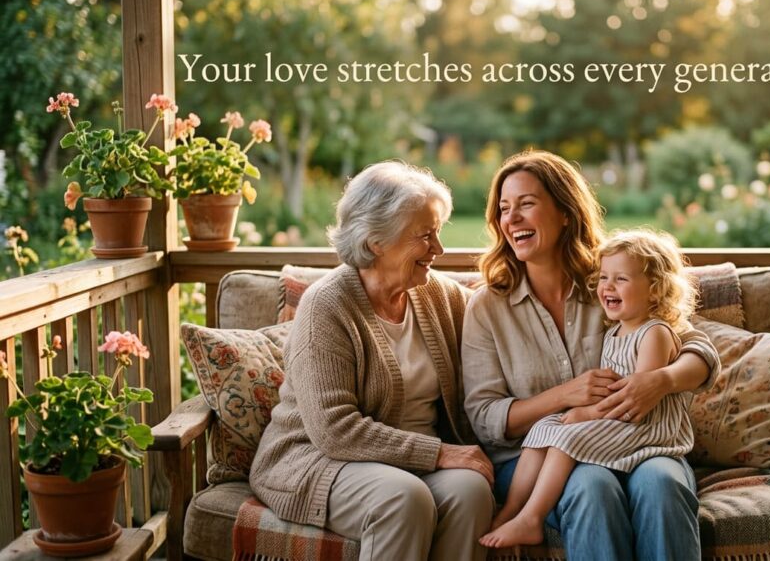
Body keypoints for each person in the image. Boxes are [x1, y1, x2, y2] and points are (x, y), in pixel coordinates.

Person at [463, 150, 721, 561]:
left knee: (662, 483)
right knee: (591, 487)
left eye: (526, 204)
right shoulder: (488, 307)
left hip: (641, 443)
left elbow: (697, 349)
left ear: (565, 212)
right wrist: (565, 396)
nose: (511, 219)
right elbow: (485, 418)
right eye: (504, 208)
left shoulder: (610, 283)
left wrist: (661, 381)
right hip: (538, 459)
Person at [249, 161, 495, 561]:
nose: (439, 249)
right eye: (425, 235)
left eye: (439, 231)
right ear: (376, 240)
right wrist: (440, 453)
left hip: (406, 465)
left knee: (470, 491)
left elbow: (500, 322)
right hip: (319, 459)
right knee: (402, 497)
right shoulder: (326, 306)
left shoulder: (440, 296)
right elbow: (335, 430)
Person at [479, 229, 699, 549]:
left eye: (620, 279)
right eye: (604, 278)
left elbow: (638, 398)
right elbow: (484, 414)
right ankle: (514, 510)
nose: (607, 286)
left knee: (570, 437)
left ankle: (532, 517)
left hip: (642, 427)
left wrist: (585, 413)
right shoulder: (615, 329)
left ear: (655, 290)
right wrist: (568, 404)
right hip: (615, 422)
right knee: (544, 428)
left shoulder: (654, 332)